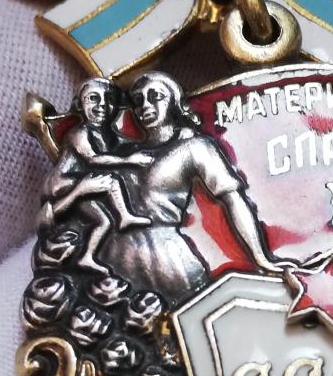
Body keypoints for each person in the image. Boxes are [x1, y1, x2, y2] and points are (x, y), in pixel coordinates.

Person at [101, 71, 283, 301]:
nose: (145, 106)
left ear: (173, 102)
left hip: (164, 257)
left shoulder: (194, 147)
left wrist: (261, 258)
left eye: (155, 96)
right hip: (114, 256)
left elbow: (234, 200)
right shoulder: (124, 153)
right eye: (138, 100)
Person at [39, 77, 153, 273]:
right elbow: (93, 159)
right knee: (110, 181)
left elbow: (123, 145)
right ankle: (125, 216)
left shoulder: (107, 133)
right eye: (93, 98)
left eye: (109, 99)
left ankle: (87, 257)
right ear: (79, 106)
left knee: (104, 221)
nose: (102, 105)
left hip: (81, 183)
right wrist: (129, 160)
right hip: (64, 182)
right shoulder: (79, 133)